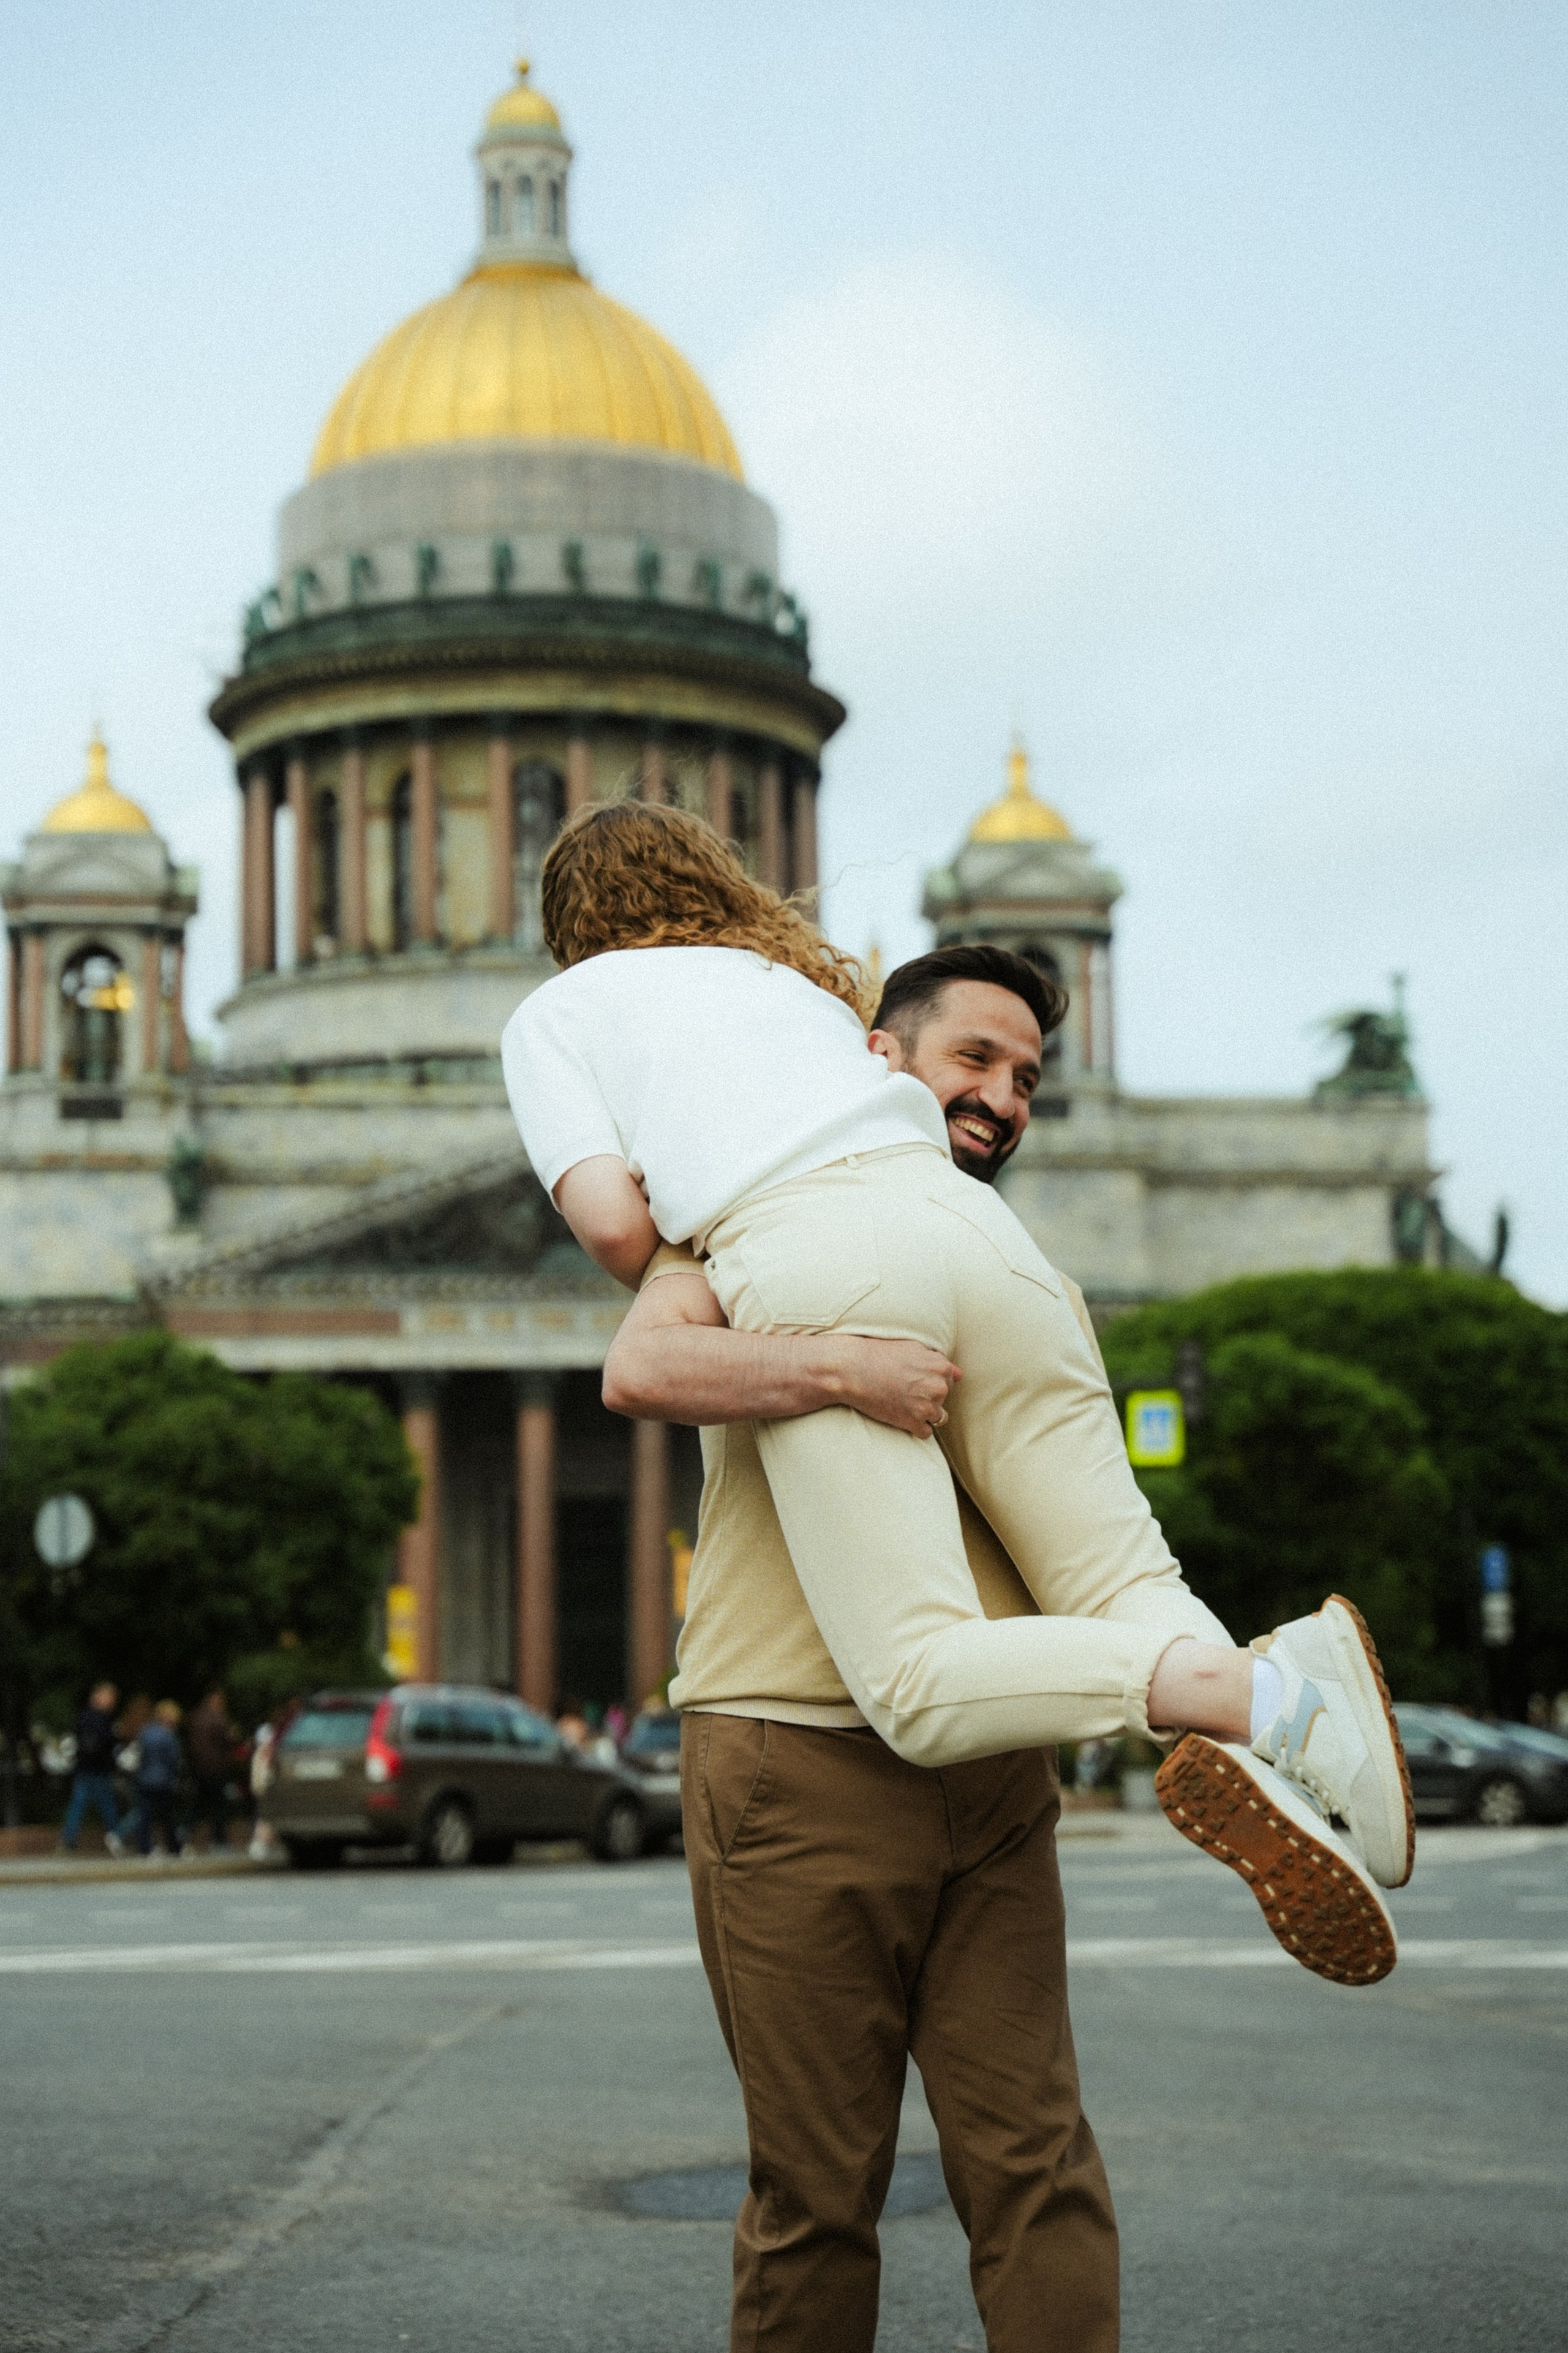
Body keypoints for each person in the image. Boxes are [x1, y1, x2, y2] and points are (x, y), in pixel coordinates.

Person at [504, 807, 1412, 1966]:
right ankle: (1303, 1786)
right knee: (1126, 1579)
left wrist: (679, 1216)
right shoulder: (805, 991)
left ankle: (1271, 1699)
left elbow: (615, 1225)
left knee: (917, 1679)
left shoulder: (560, 1012)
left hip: (828, 1265)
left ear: (569, 927)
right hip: (988, 1245)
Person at [59, 1682, 127, 1856]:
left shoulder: (88, 1717)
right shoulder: (96, 1718)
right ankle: (116, 1837)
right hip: (95, 1768)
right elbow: (101, 1743)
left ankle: (69, 1839)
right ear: (98, 1697)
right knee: (105, 1804)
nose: (112, 1701)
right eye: (109, 1697)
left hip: (88, 1767)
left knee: (83, 1803)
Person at [128, 1701, 184, 1859]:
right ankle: (174, 1847)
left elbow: (138, 1755)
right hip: (163, 1781)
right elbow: (173, 1759)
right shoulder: (168, 1735)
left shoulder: (145, 1732)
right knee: (168, 1816)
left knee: (144, 1815)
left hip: (144, 1780)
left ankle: (144, 1848)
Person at [184, 1689, 236, 1852]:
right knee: (219, 1806)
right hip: (216, 1768)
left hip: (199, 1768)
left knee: (199, 1803)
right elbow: (229, 1741)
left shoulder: (196, 1718)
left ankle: (184, 1832)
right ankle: (220, 1841)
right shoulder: (219, 1719)